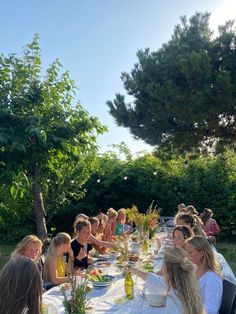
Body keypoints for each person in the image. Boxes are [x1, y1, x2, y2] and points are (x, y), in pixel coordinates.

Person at [129, 246, 204, 314]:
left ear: (166, 268)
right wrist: (134, 270)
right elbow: (153, 279)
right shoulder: (190, 286)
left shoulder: (174, 301)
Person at [185, 235, 223, 314]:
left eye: (190, 252)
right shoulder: (194, 268)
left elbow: (210, 311)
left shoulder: (212, 279)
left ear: (202, 253)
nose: (186, 255)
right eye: (186, 251)